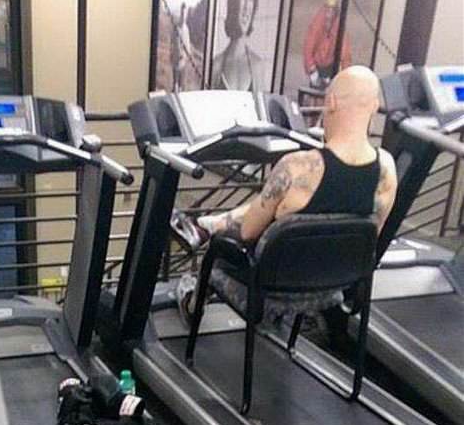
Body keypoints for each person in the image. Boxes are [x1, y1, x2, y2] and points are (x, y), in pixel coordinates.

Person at [170, 65, 397, 322]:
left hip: (268, 292)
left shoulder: (296, 167)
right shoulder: (386, 169)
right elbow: (369, 235)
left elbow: (248, 232)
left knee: (220, 250)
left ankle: (194, 300)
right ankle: (206, 225)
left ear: (332, 102)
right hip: (330, 289)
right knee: (276, 209)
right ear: (374, 106)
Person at [211, 0, 265, 92]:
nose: (246, 7)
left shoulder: (257, 66)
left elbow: (262, 104)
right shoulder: (216, 65)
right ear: (233, 0)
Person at [303, 0, 352, 91]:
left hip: (331, 67)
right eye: (328, 9)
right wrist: (311, 68)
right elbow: (309, 46)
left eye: (332, 10)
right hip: (316, 65)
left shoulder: (339, 25)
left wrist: (343, 76)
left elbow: (345, 52)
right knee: (314, 94)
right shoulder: (317, 22)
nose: (329, 13)